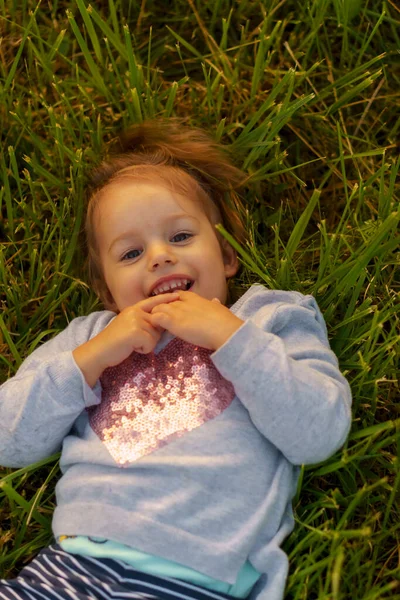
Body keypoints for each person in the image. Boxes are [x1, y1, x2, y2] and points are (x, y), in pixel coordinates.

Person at [0, 117, 352, 600]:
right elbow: (8, 437)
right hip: (71, 568)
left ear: (226, 256)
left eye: (181, 237)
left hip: (198, 577)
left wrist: (231, 338)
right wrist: (91, 359)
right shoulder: (91, 338)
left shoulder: (268, 319)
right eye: (130, 254)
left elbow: (318, 432)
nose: (159, 257)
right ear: (107, 291)